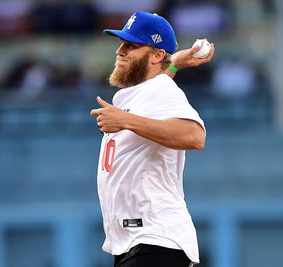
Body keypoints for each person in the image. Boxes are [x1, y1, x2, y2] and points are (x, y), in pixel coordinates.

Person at [90, 11, 215, 267]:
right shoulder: (146, 91)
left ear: (157, 54)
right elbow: (155, 90)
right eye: (122, 44)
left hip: (155, 238)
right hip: (139, 242)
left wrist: (126, 121)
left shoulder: (161, 90)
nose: (120, 51)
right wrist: (173, 65)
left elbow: (194, 136)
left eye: (132, 45)